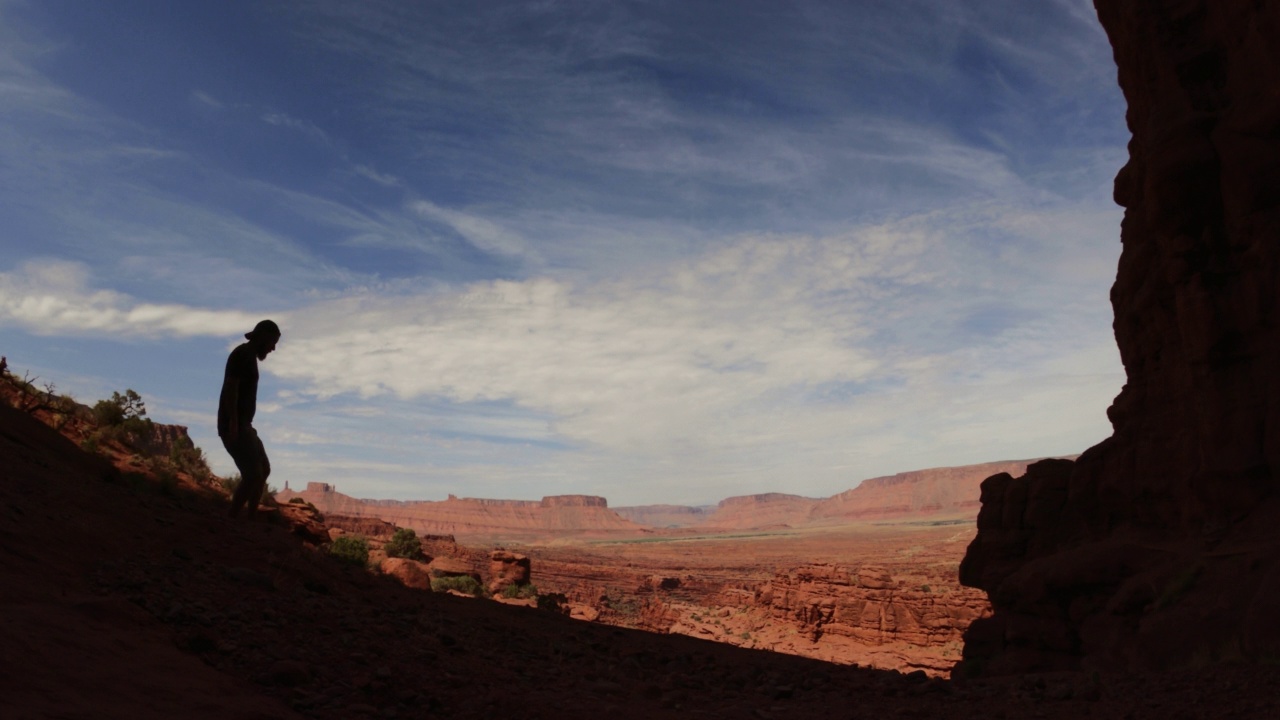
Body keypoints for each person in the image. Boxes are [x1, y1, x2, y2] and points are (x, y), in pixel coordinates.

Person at [219, 319, 281, 518]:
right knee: (253, 474)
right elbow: (231, 387)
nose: (273, 348)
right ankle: (233, 518)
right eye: (273, 342)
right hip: (235, 424)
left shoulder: (249, 356)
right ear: (263, 337)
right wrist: (233, 423)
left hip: (245, 424)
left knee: (264, 469)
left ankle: (249, 518)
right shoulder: (243, 354)